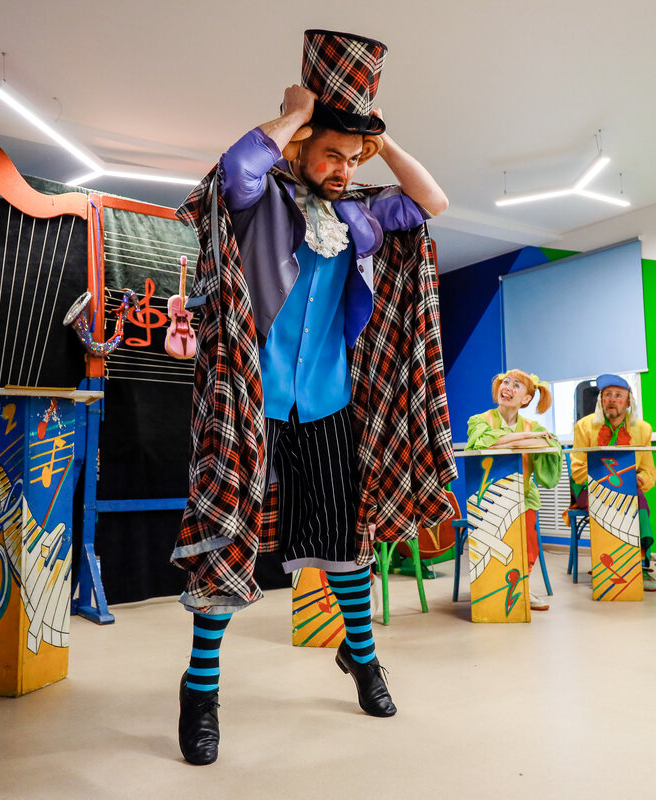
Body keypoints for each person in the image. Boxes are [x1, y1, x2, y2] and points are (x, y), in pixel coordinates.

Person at [171, 29, 457, 766]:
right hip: (250, 404)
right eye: (333, 154)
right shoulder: (257, 200)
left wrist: (381, 143)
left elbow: (432, 200)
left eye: (353, 159)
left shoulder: (361, 215)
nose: (343, 169)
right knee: (226, 539)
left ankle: (361, 657)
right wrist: (296, 114)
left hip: (329, 405)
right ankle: (200, 690)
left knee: (345, 543)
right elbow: (236, 166)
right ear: (301, 148)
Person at [465, 370, 562, 609]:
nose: (507, 387)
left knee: (528, 544)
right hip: (485, 499)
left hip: (523, 496)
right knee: (490, 545)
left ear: (526, 399)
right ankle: (491, 591)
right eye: (505, 382)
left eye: (516, 385)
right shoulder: (479, 420)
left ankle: (521, 587)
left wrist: (508, 439)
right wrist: (527, 437)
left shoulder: (534, 425)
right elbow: (481, 440)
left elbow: (549, 442)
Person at [568, 374, 656, 591]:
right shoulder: (584, 426)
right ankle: (607, 564)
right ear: (601, 400)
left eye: (618, 395)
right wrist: (600, 479)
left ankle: (639, 563)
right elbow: (577, 468)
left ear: (628, 402)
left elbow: (649, 470)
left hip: (627, 489)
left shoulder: (643, 429)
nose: (612, 400)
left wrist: (640, 479)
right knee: (611, 500)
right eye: (607, 395)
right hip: (589, 488)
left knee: (637, 499)